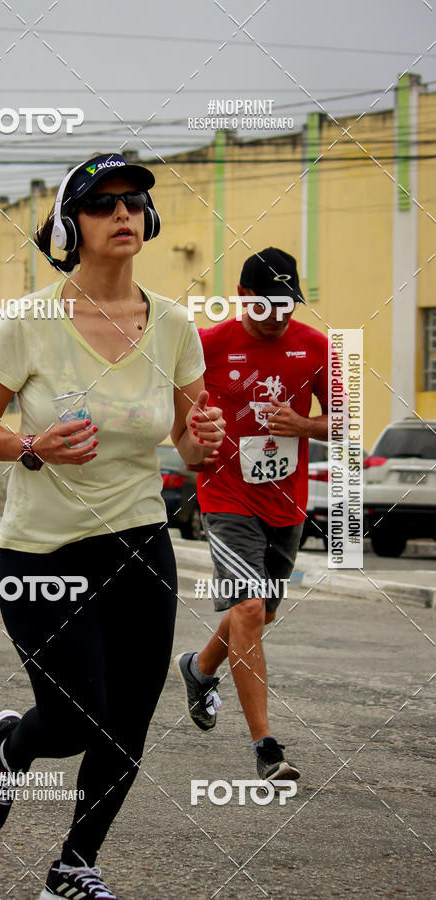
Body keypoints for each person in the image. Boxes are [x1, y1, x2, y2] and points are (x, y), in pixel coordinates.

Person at [0, 152, 225, 900]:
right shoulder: (28, 323)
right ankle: (10, 747)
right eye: (103, 204)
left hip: (138, 540)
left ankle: (75, 866)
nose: (124, 214)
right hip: (43, 547)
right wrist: (29, 446)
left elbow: (193, 444)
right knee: (75, 719)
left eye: (134, 201)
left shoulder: (173, 325)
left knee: (128, 723)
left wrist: (205, 440)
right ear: (72, 226)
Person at [175, 247, 330, 783]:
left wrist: (304, 425)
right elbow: (180, 420)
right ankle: (266, 748)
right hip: (226, 496)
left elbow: (346, 421)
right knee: (248, 608)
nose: (280, 314)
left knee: (258, 615)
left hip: (286, 502)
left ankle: (199, 669)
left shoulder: (315, 347)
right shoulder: (207, 345)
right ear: (243, 299)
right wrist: (198, 433)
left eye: (288, 303)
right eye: (268, 303)